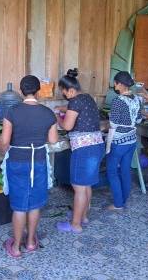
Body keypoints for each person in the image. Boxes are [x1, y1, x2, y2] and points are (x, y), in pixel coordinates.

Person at [0, 75, 59, 258]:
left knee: (19, 207)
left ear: (21, 91)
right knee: (34, 205)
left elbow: (5, 142)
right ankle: (31, 242)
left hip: (17, 161)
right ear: (38, 91)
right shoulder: (48, 113)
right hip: (39, 161)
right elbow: (54, 140)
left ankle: (16, 247)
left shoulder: (12, 111)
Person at [55, 69, 104, 233]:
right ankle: (83, 216)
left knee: (78, 187)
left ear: (70, 90)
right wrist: (63, 109)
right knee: (86, 185)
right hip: (96, 145)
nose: (65, 96)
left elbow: (67, 126)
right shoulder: (87, 97)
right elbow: (72, 109)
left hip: (84, 148)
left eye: (64, 93)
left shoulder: (74, 101)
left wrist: (57, 119)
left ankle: (75, 224)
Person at [105, 71, 142, 211]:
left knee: (112, 171)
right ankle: (123, 198)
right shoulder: (137, 99)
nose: (114, 85)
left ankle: (118, 204)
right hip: (132, 139)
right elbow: (139, 119)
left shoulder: (118, 101)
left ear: (120, 84)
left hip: (119, 141)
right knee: (125, 170)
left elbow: (113, 124)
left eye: (115, 83)